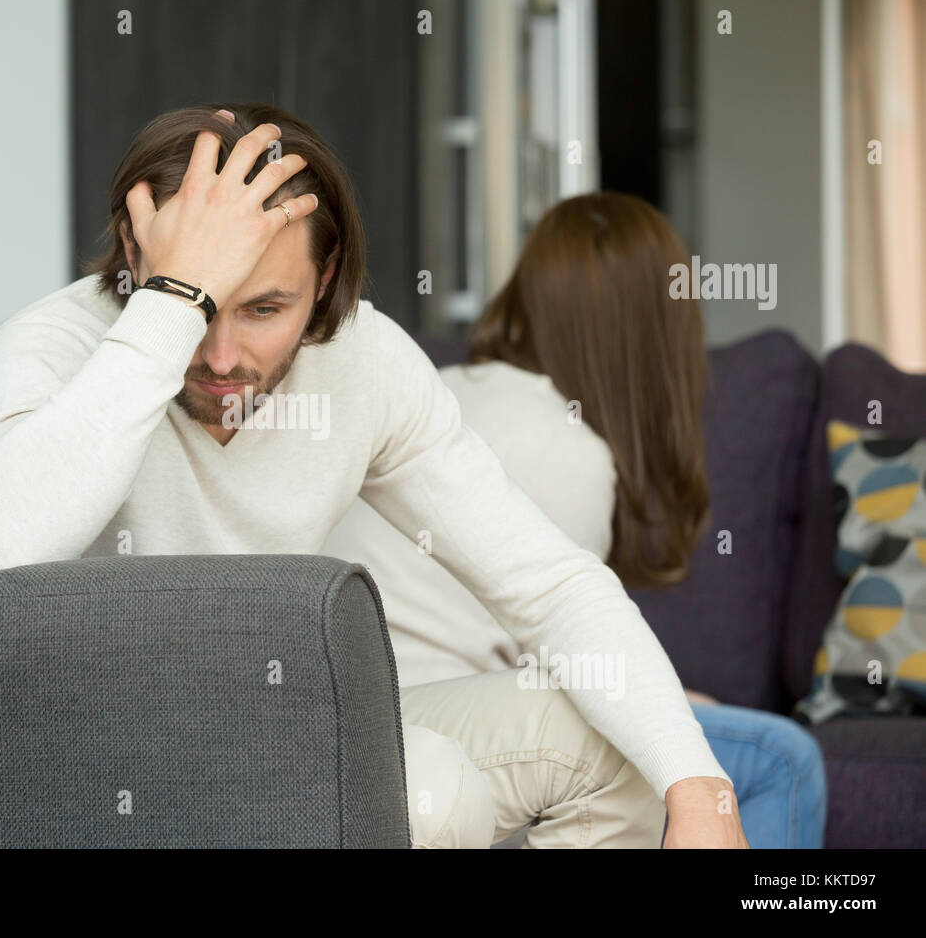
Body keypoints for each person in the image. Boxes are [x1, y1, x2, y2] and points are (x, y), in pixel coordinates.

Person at [0, 102, 748, 848]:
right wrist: (170, 306)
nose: (224, 358)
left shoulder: (364, 360)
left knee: (632, 750)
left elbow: (550, 584)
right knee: (433, 788)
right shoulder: (54, 344)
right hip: (94, 756)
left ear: (327, 277)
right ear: (137, 253)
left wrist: (701, 787)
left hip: (288, 726)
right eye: (205, 305)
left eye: (264, 309)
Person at [321, 191, 827, 848]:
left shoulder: (443, 386)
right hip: (434, 727)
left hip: (363, 709)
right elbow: (573, 654)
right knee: (783, 758)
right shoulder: (574, 452)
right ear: (658, 334)